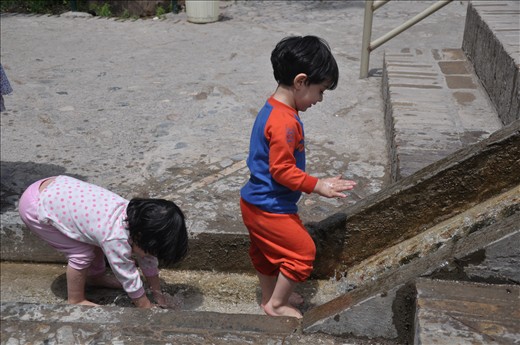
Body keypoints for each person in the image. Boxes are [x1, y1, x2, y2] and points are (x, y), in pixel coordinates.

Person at [240, 35, 357, 319]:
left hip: (255, 202)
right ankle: (277, 305)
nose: (319, 99)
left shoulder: (273, 109)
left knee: (266, 254)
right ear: (301, 81)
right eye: (321, 91)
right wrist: (318, 185)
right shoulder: (284, 122)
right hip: (270, 208)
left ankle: (269, 298)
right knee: (303, 252)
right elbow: (281, 170)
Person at [18, 175, 188, 308]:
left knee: (95, 239)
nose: (151, 256)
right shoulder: (116, 238)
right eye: (151, 250)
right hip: (36, 206)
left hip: (54, 186)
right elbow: (127, 274)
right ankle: (76, 299)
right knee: (82, 253)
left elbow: (148, 259)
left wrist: (157, 293)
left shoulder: (138, 222)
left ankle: (96, 277)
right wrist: (145, 305)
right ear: (139, 236)